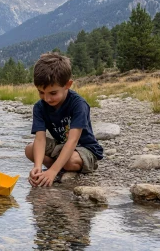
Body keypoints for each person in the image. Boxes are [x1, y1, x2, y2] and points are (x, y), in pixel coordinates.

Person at [25, 52, 103, 187]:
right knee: (30, 149)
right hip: (61, 146)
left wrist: (52, 171)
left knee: (69, 160)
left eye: (53, 93)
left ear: (68, 84)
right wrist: (37, 166)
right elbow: (40, 138)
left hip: (84, 149)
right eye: (41, 92)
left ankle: (57, 168)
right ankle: (56, 167)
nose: (47, 98)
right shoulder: (39, 107)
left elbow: (73, 140)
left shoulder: (78, 104)